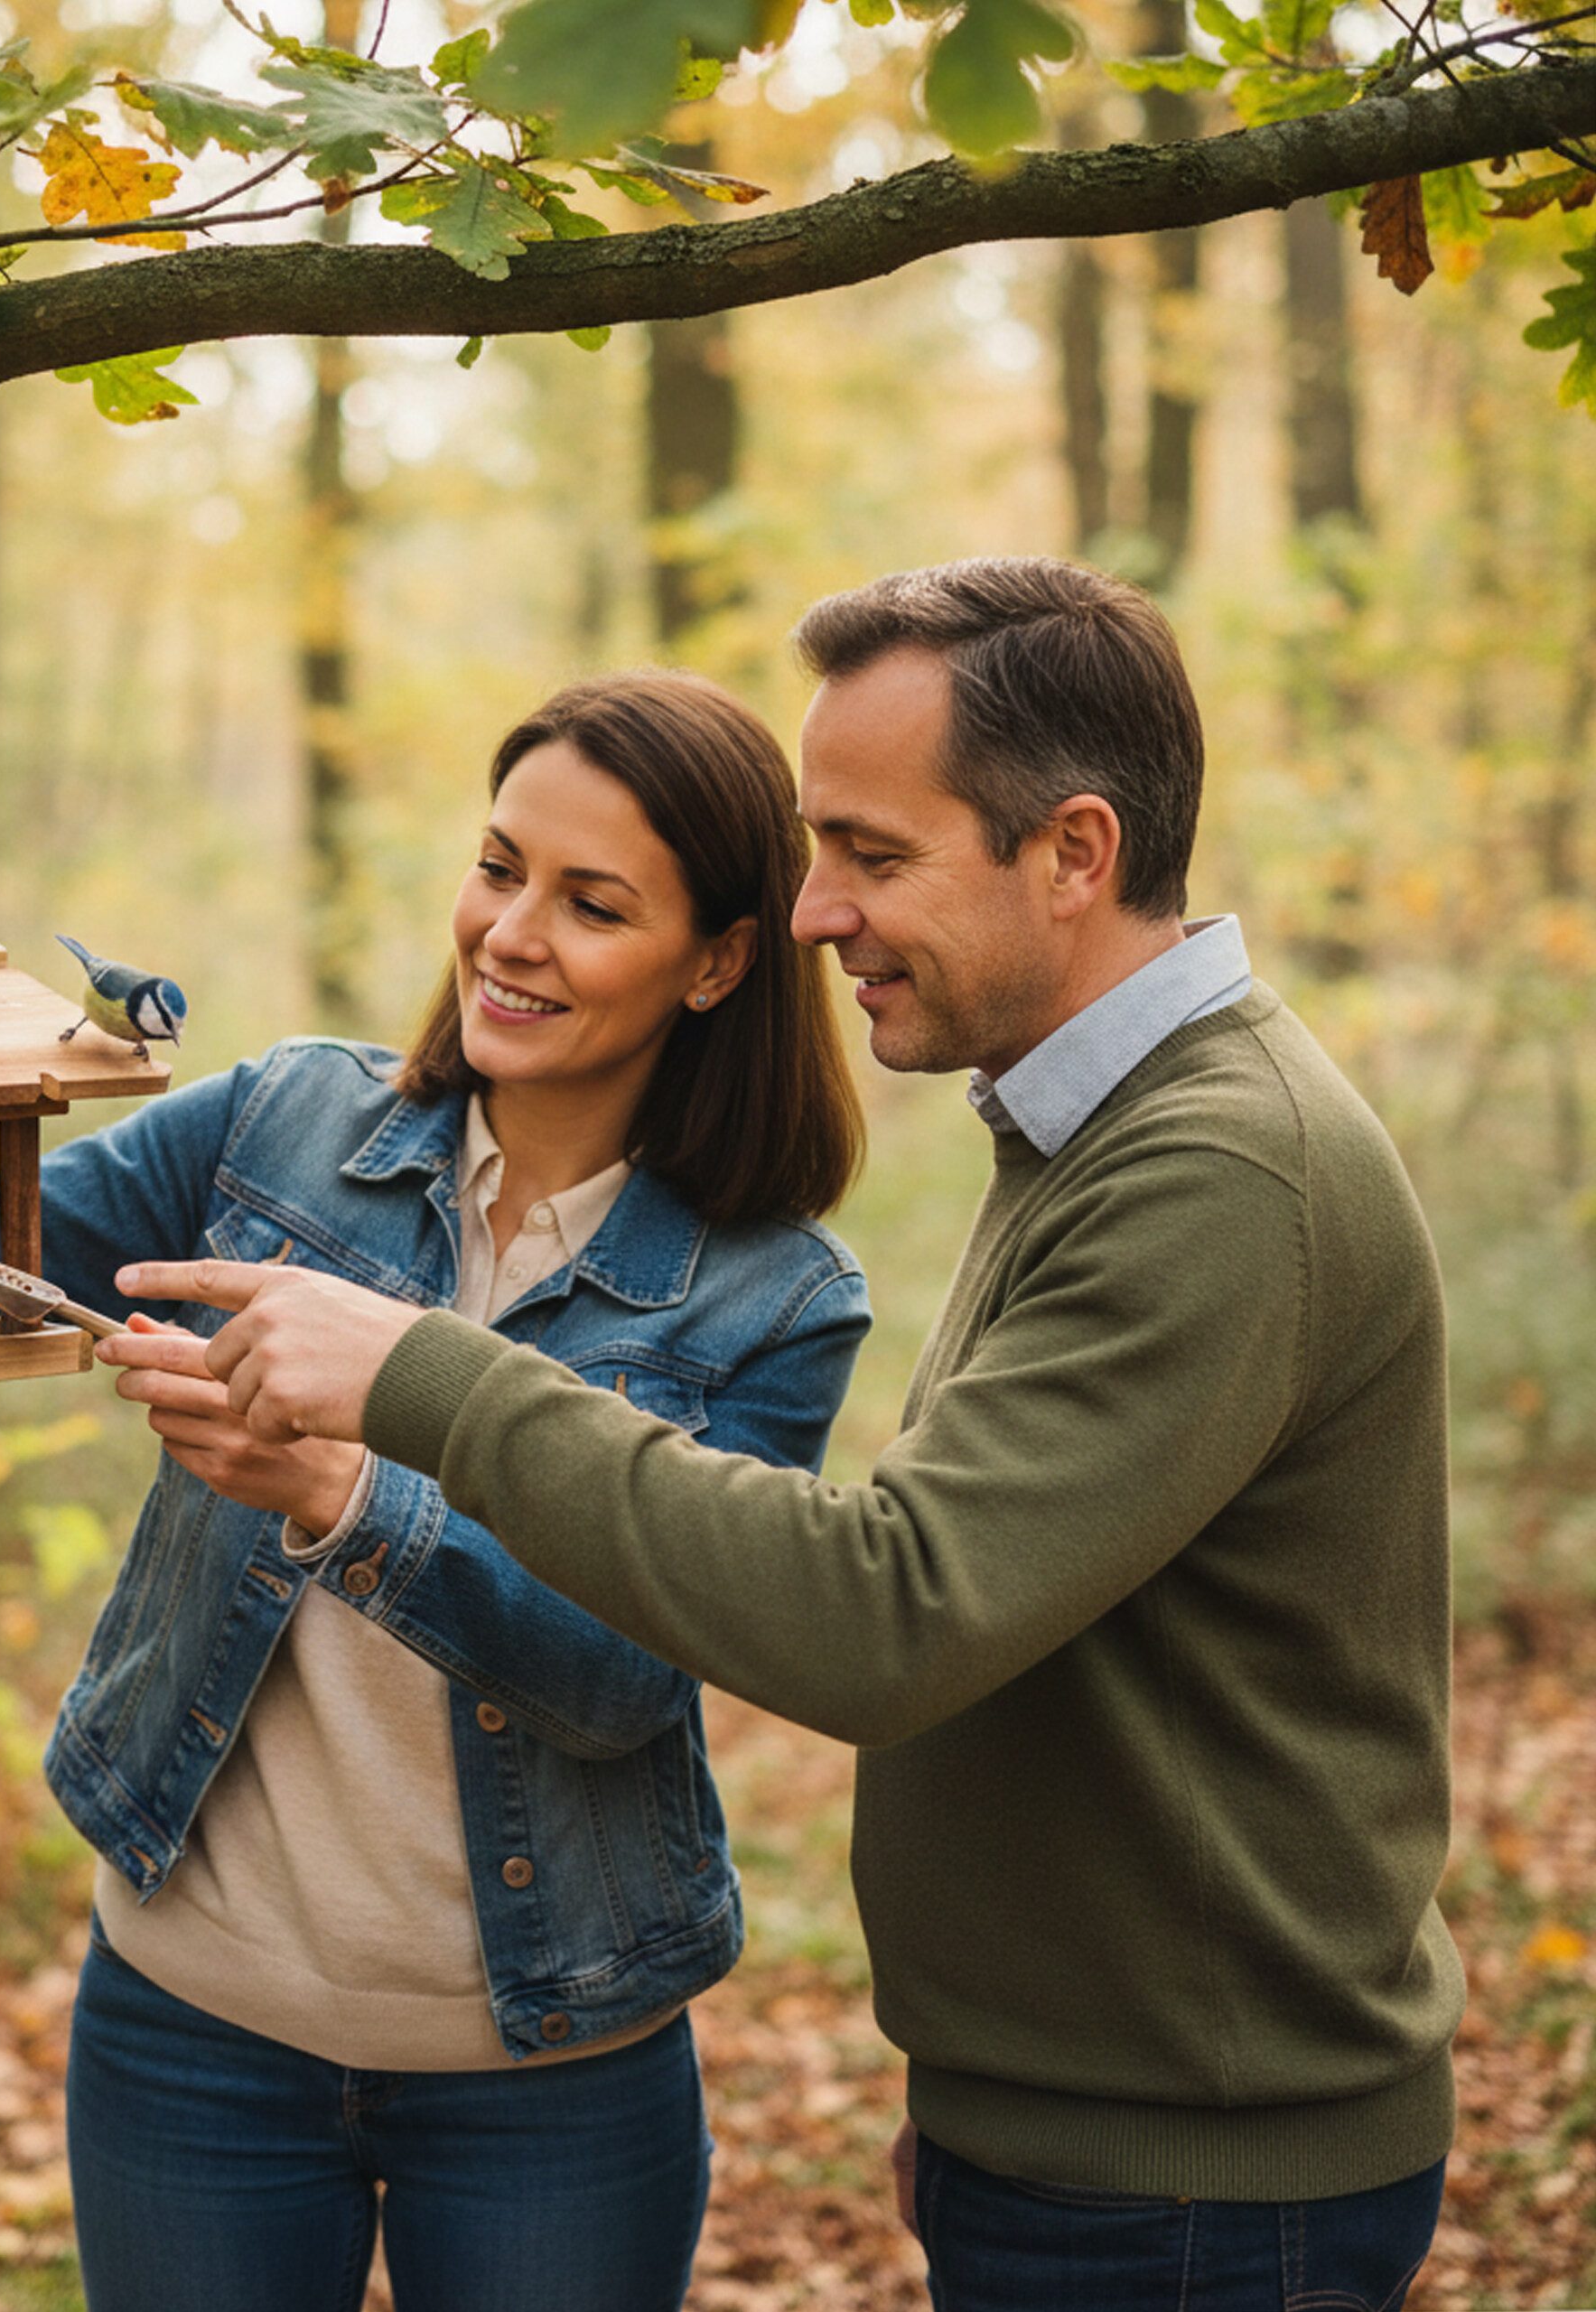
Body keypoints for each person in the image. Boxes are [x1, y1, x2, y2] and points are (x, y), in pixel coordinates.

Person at [117, 559, 1465, 2312]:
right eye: (819, 847)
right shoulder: (1098, 1128)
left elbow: (883, 1614)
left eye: (873, 854)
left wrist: (416, 1383)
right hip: (1094, 2126)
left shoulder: (1212, 1169)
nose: (818, 911)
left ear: (1071, 852)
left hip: (1191, 2175)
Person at [0, 671, 871, 2312]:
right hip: (191, 2029)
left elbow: (624, 1679)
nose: (510, 933)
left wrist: (345, 1495)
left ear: (721, 960)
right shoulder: (286, 1123)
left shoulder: (770, 1299)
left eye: (592, 903)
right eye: (498, 865)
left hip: (555, 2066)